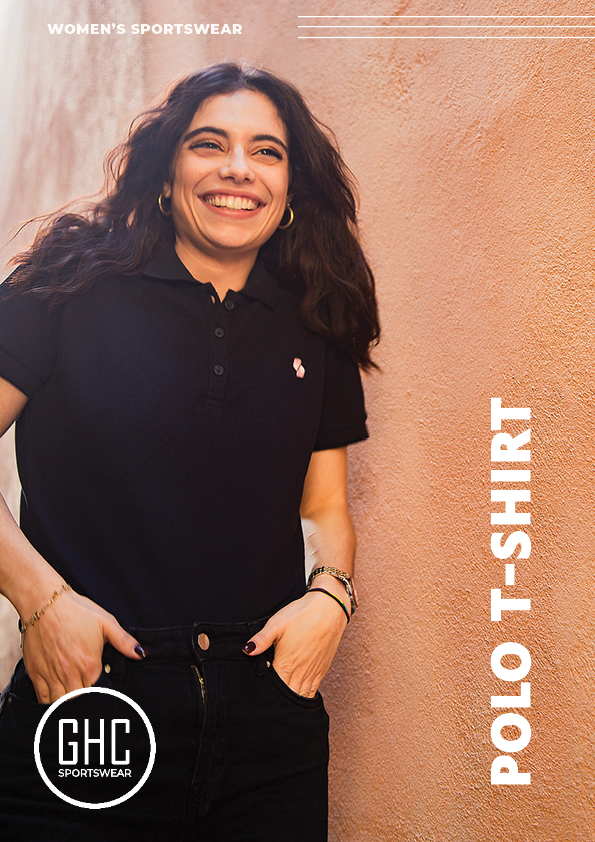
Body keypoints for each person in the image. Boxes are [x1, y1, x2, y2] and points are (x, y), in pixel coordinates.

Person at [0, 62, 379, 840]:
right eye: (210, 144)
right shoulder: (64, 292)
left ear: (291, 190)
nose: (238, 169)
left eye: (266, 152)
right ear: (168, 173)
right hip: (89, 704)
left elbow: (323, 506)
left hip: (269, 722)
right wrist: (40, 601)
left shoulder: (315, 324)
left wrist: (329, 601)